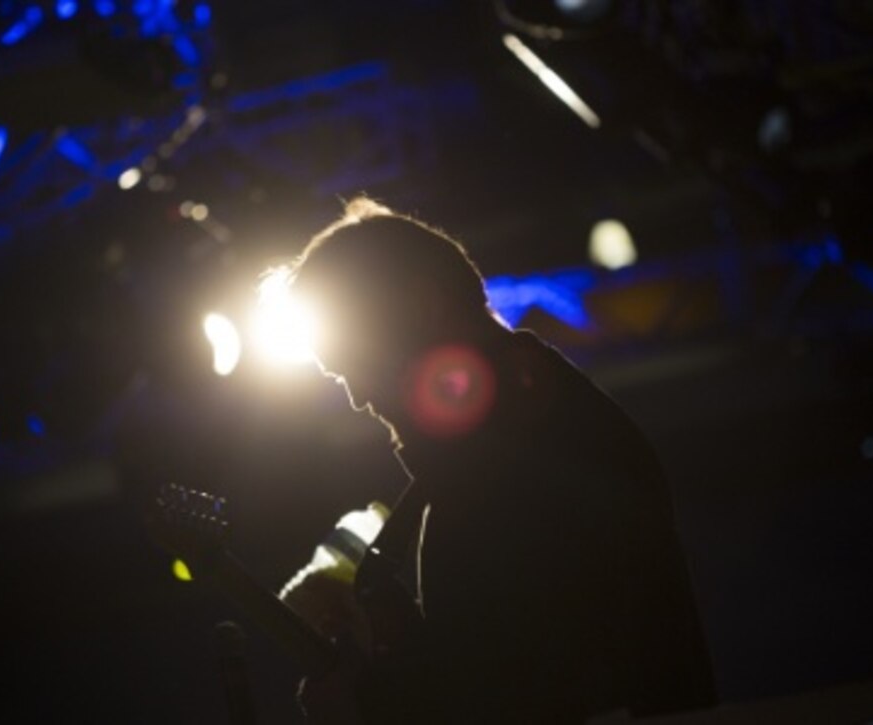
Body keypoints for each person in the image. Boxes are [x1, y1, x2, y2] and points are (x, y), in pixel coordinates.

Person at [277, 198, 716, 723]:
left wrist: (370, 703)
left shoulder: (526, 444)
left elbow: (530, 679)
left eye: (354, 361)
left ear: (422, 304)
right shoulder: (511, 435)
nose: (357, 397)